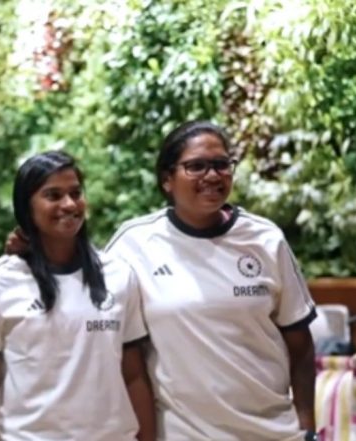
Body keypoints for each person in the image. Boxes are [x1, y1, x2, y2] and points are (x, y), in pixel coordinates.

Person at [104, 120, 317, 441]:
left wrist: (306, 425)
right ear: (167, 180)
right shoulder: (133, 243)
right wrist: (30, 252)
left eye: (222, 165)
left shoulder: (265, 239)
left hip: (274, 432)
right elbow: (86, 303)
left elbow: (300, 345)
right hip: (183, 433)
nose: (213, 176)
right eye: (196, 167)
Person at [0, 151, 156, 441]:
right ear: (27, 207)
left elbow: (134, 376)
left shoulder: (118, 275)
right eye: (53, 195)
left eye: (75, 193)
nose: (68, 204)